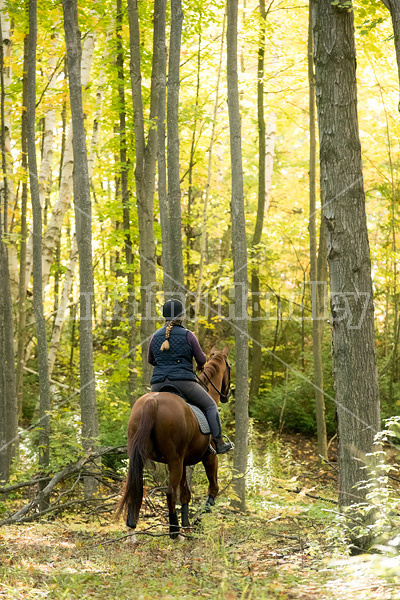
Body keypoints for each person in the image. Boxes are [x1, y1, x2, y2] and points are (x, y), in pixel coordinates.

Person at [147, 298, 233, 454]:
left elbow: (150, 360)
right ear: (181, 317)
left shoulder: (154, 336)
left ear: (164, 316)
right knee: (210, 405)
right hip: (184, 383)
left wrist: (164, 366)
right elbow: (201, 359)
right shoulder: (188, 335)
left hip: (157, 385)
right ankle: (219, 442)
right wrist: (199, 366)